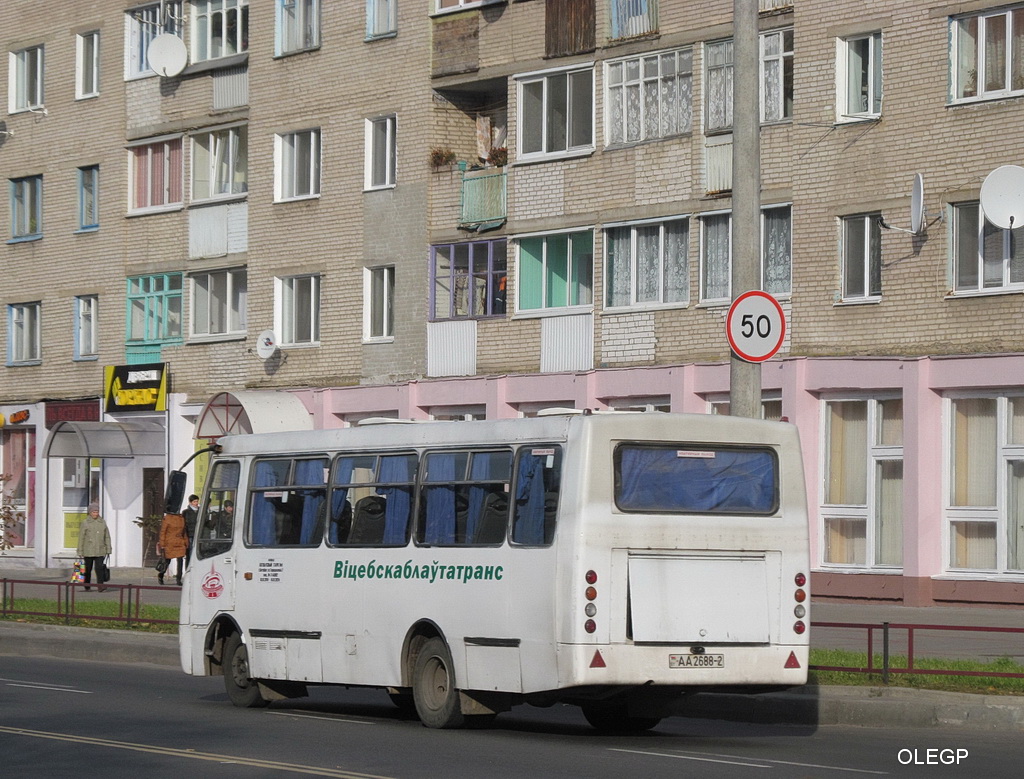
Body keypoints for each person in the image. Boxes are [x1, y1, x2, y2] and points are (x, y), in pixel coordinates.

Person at [76, 502, 111, 592]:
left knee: (99, 568)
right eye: (94, 512)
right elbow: (81, 537)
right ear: (90, 512)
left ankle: (100, 585)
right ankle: (87, 585)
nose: (95, 514)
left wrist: (108, 548)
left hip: (100, 550)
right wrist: (80, 550)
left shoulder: (102, 522)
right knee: (88, 569)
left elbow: (107, 536)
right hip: (88, 550)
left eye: (97, 512)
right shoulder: (85, 523)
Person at [157, 511, 188, 586]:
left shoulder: (181, 518)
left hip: (179, 542)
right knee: (167, 561)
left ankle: (178, 579)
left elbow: (184, 532)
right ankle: (161, 575)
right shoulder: (168, 518)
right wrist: (162, 544)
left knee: (180, 560)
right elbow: (163, 532)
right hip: (170, 543)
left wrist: (186, 542)